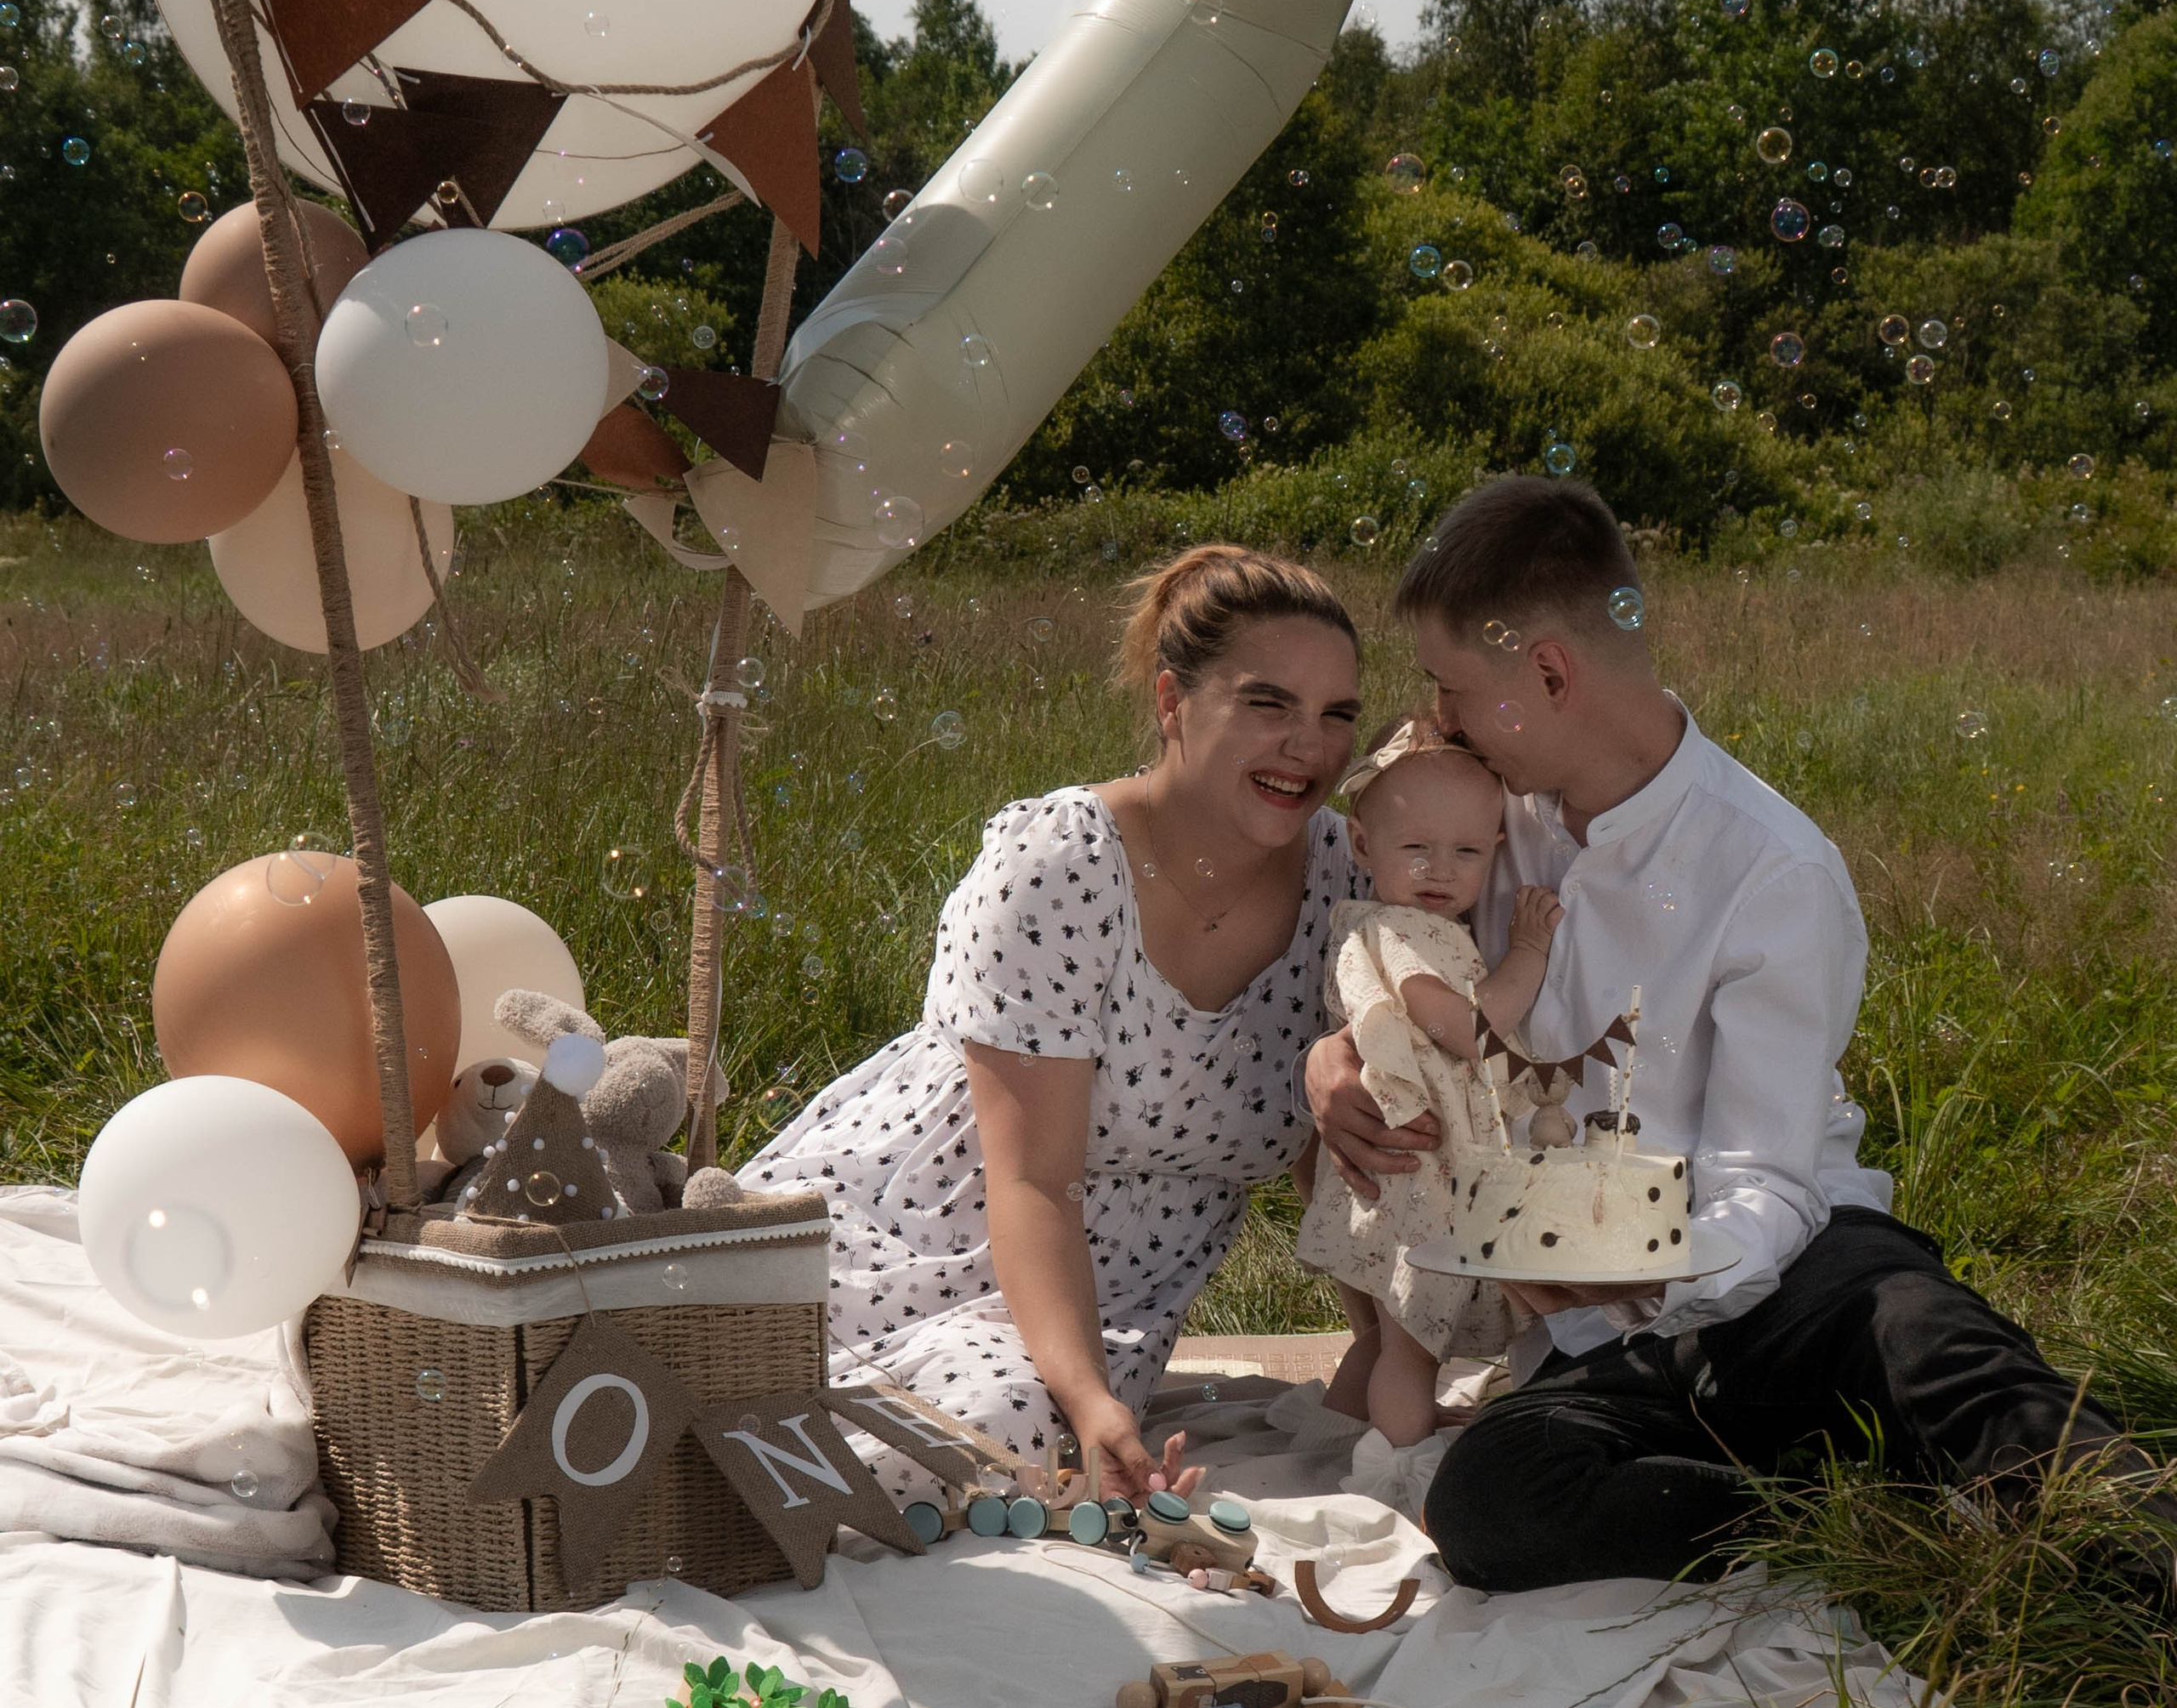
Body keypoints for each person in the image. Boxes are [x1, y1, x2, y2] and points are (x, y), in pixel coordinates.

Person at [1302, 473, 2166, 1592]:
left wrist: (1653, 1263)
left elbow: (1770, 1179)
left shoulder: (1769, 862)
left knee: (1940, 1352)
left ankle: (2139, 1574)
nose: (1444, 716)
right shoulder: (1476, 818)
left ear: (1552, 673)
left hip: (1792, 1262)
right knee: (1489, 1501)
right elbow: (1378, 951)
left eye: (1457, 685)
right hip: (1592, 1319)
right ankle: (1851, 1510)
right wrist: (1337, 1059)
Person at [744, 546, 1365, 1500]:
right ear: (1171, 703)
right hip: (921, 1232)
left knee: (999, 1442)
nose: (1308, 747)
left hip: (1104, 1303)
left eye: (1336, 715)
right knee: (966, 1437)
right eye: (1268, 704)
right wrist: (1083, 1395)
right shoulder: (1058, 866)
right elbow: (1032, 1177)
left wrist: (1381, 1347)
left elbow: (1341, 1145)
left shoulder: (1347, 881)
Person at [1293, 721, 1564, 1442]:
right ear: (1362, 845)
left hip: (1404, 1160)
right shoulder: (1408, 933)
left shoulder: (1387, 923)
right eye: (1416, 848)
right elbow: (1467, 1031)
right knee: (1412, 1346)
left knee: (1387, 1338)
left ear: (1495, 852)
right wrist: (1530, 952)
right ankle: (1400, 1461)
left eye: (1467, 851)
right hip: (1415, 1171)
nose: (1440, 870)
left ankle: (1340, 1436)